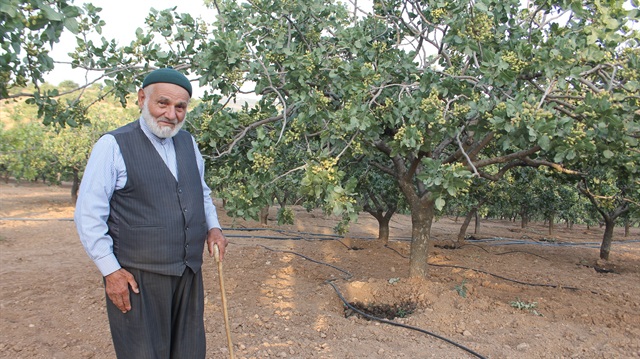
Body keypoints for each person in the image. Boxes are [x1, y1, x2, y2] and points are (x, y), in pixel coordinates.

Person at [74, 67, 228, 359]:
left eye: (180, 107)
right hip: (137, 278)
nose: (171, 114)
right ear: (142, 98)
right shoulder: (113, 145)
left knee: (189, 352)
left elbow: (201, 192)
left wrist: (214, 227)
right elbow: (88, 215)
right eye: (163, 103)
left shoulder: (188, 143)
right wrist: (111, 271)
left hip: (188, 271)